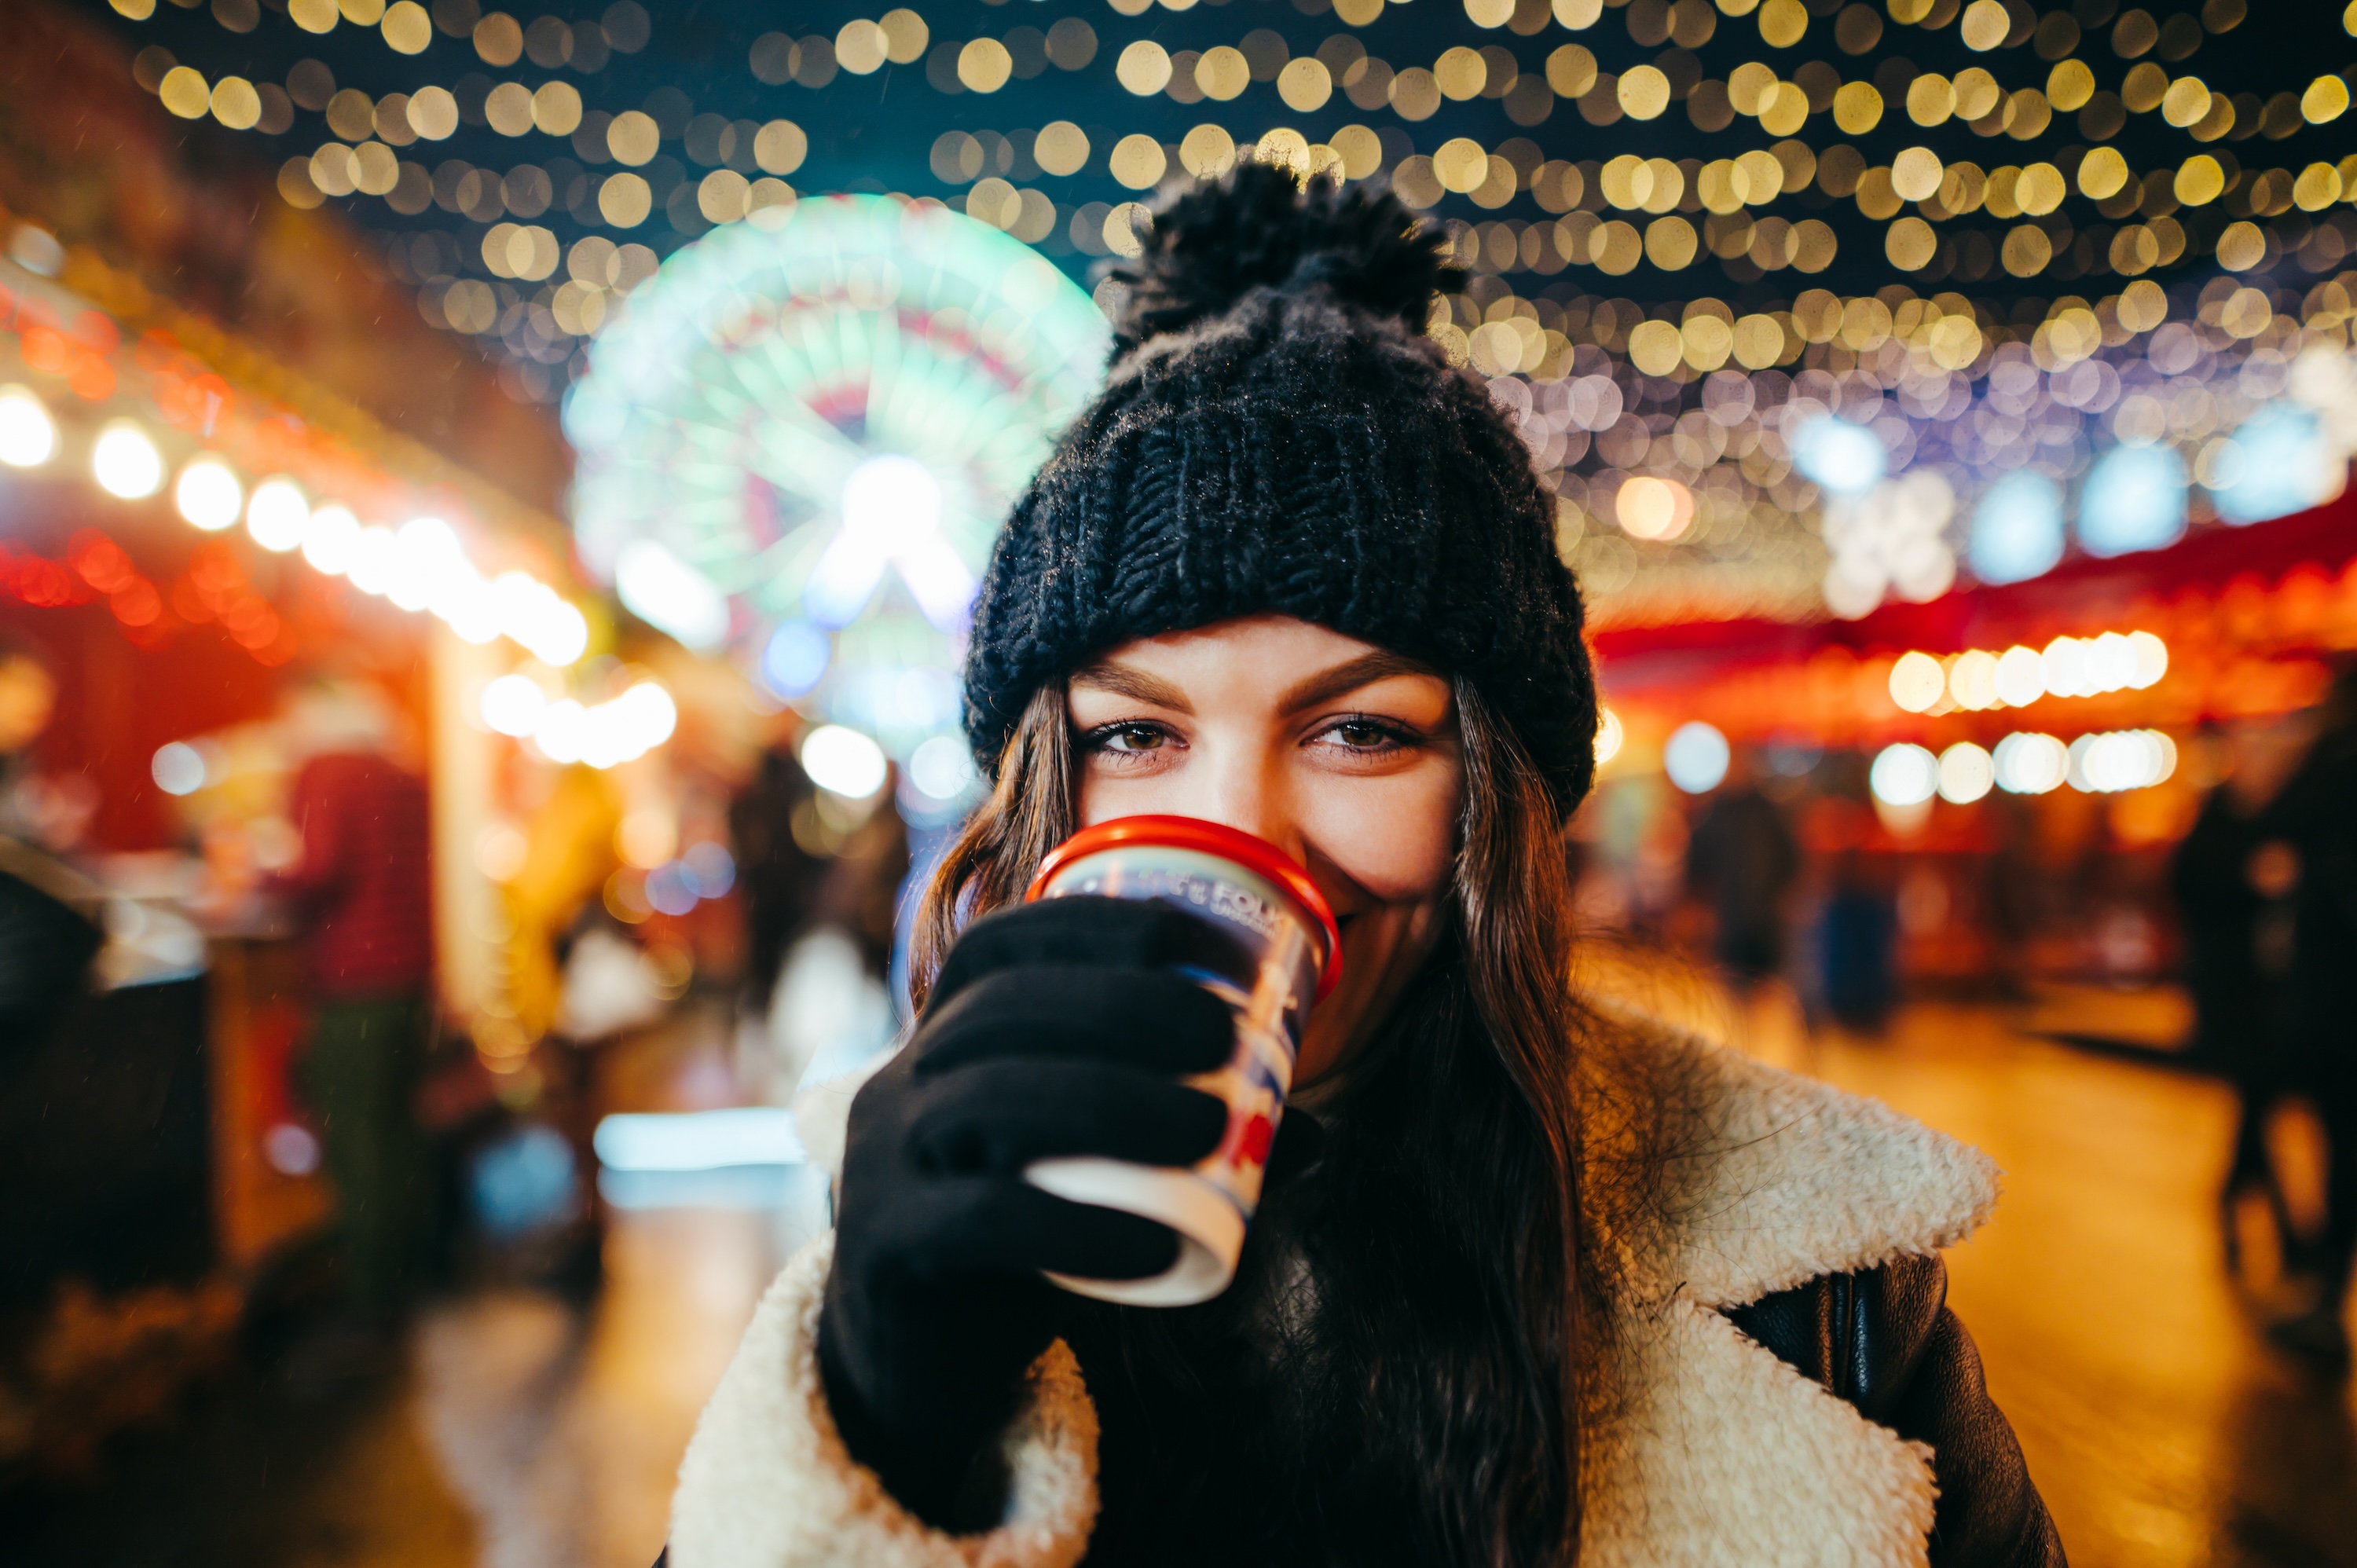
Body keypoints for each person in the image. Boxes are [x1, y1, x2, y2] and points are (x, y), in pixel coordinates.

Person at [664, 168, 2061, 1566]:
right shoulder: (915, 1209)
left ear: (1497, 799)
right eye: (1137, 731)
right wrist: (871, 1417)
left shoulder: (1822, 1296)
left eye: (1359, 731)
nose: (1247, 837)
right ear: (1044, 780)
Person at [266, 681, 434, 1324]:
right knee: (398, 1129)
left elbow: (317, 866)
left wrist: (257, 876)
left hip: (354, 979)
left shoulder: (326, 768)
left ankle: (371, 1296)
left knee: (357, 1137)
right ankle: (416, 1270)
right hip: (408, 975)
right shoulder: (398, 770)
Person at [1685, 746, 1800, 986]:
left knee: (1762, 982)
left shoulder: (1767, 811)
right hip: (1729, 916)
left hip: (1762, 916)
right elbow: (1698, 862)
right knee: (1732, 979)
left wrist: (1783, 897)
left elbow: (1790, 858)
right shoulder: (1719, 812)